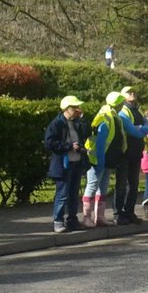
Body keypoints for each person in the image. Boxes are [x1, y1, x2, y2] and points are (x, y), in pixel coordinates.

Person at [44, 96, 90, 233]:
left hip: (76, 162)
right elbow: (49, 143)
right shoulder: (56, 123)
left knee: (74, 194)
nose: (77, 110)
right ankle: (58, 221)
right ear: (67, 109)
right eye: (74, 108)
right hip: (63, 164)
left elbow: (87, 133)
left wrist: (83, 118)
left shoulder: (76, 122)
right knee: (62, 194)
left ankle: (72, 220)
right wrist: (69, 146)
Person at [83, 91, 126, 226]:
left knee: (103, 187)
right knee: (92, 186)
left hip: (108, 158)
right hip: (98, 159)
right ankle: (86, 217)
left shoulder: (113, 115)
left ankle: (99, 217)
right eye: (121, 102)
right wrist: (100, 161)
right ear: (117, 103)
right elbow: (100, 142)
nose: (123, 105)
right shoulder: (105, 117)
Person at [115, 87, 148, 225]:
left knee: (134, 184)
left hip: (136, 151)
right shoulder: (123, 112)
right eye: (128, 92)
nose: (132, 93)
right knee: (122, 185)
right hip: (125, 152)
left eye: (133, 91)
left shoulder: (137, 110)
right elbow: (133, 131)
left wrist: (140, 129)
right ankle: (118, 213)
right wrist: (141, 130)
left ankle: (129, 212)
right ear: (122, 96)